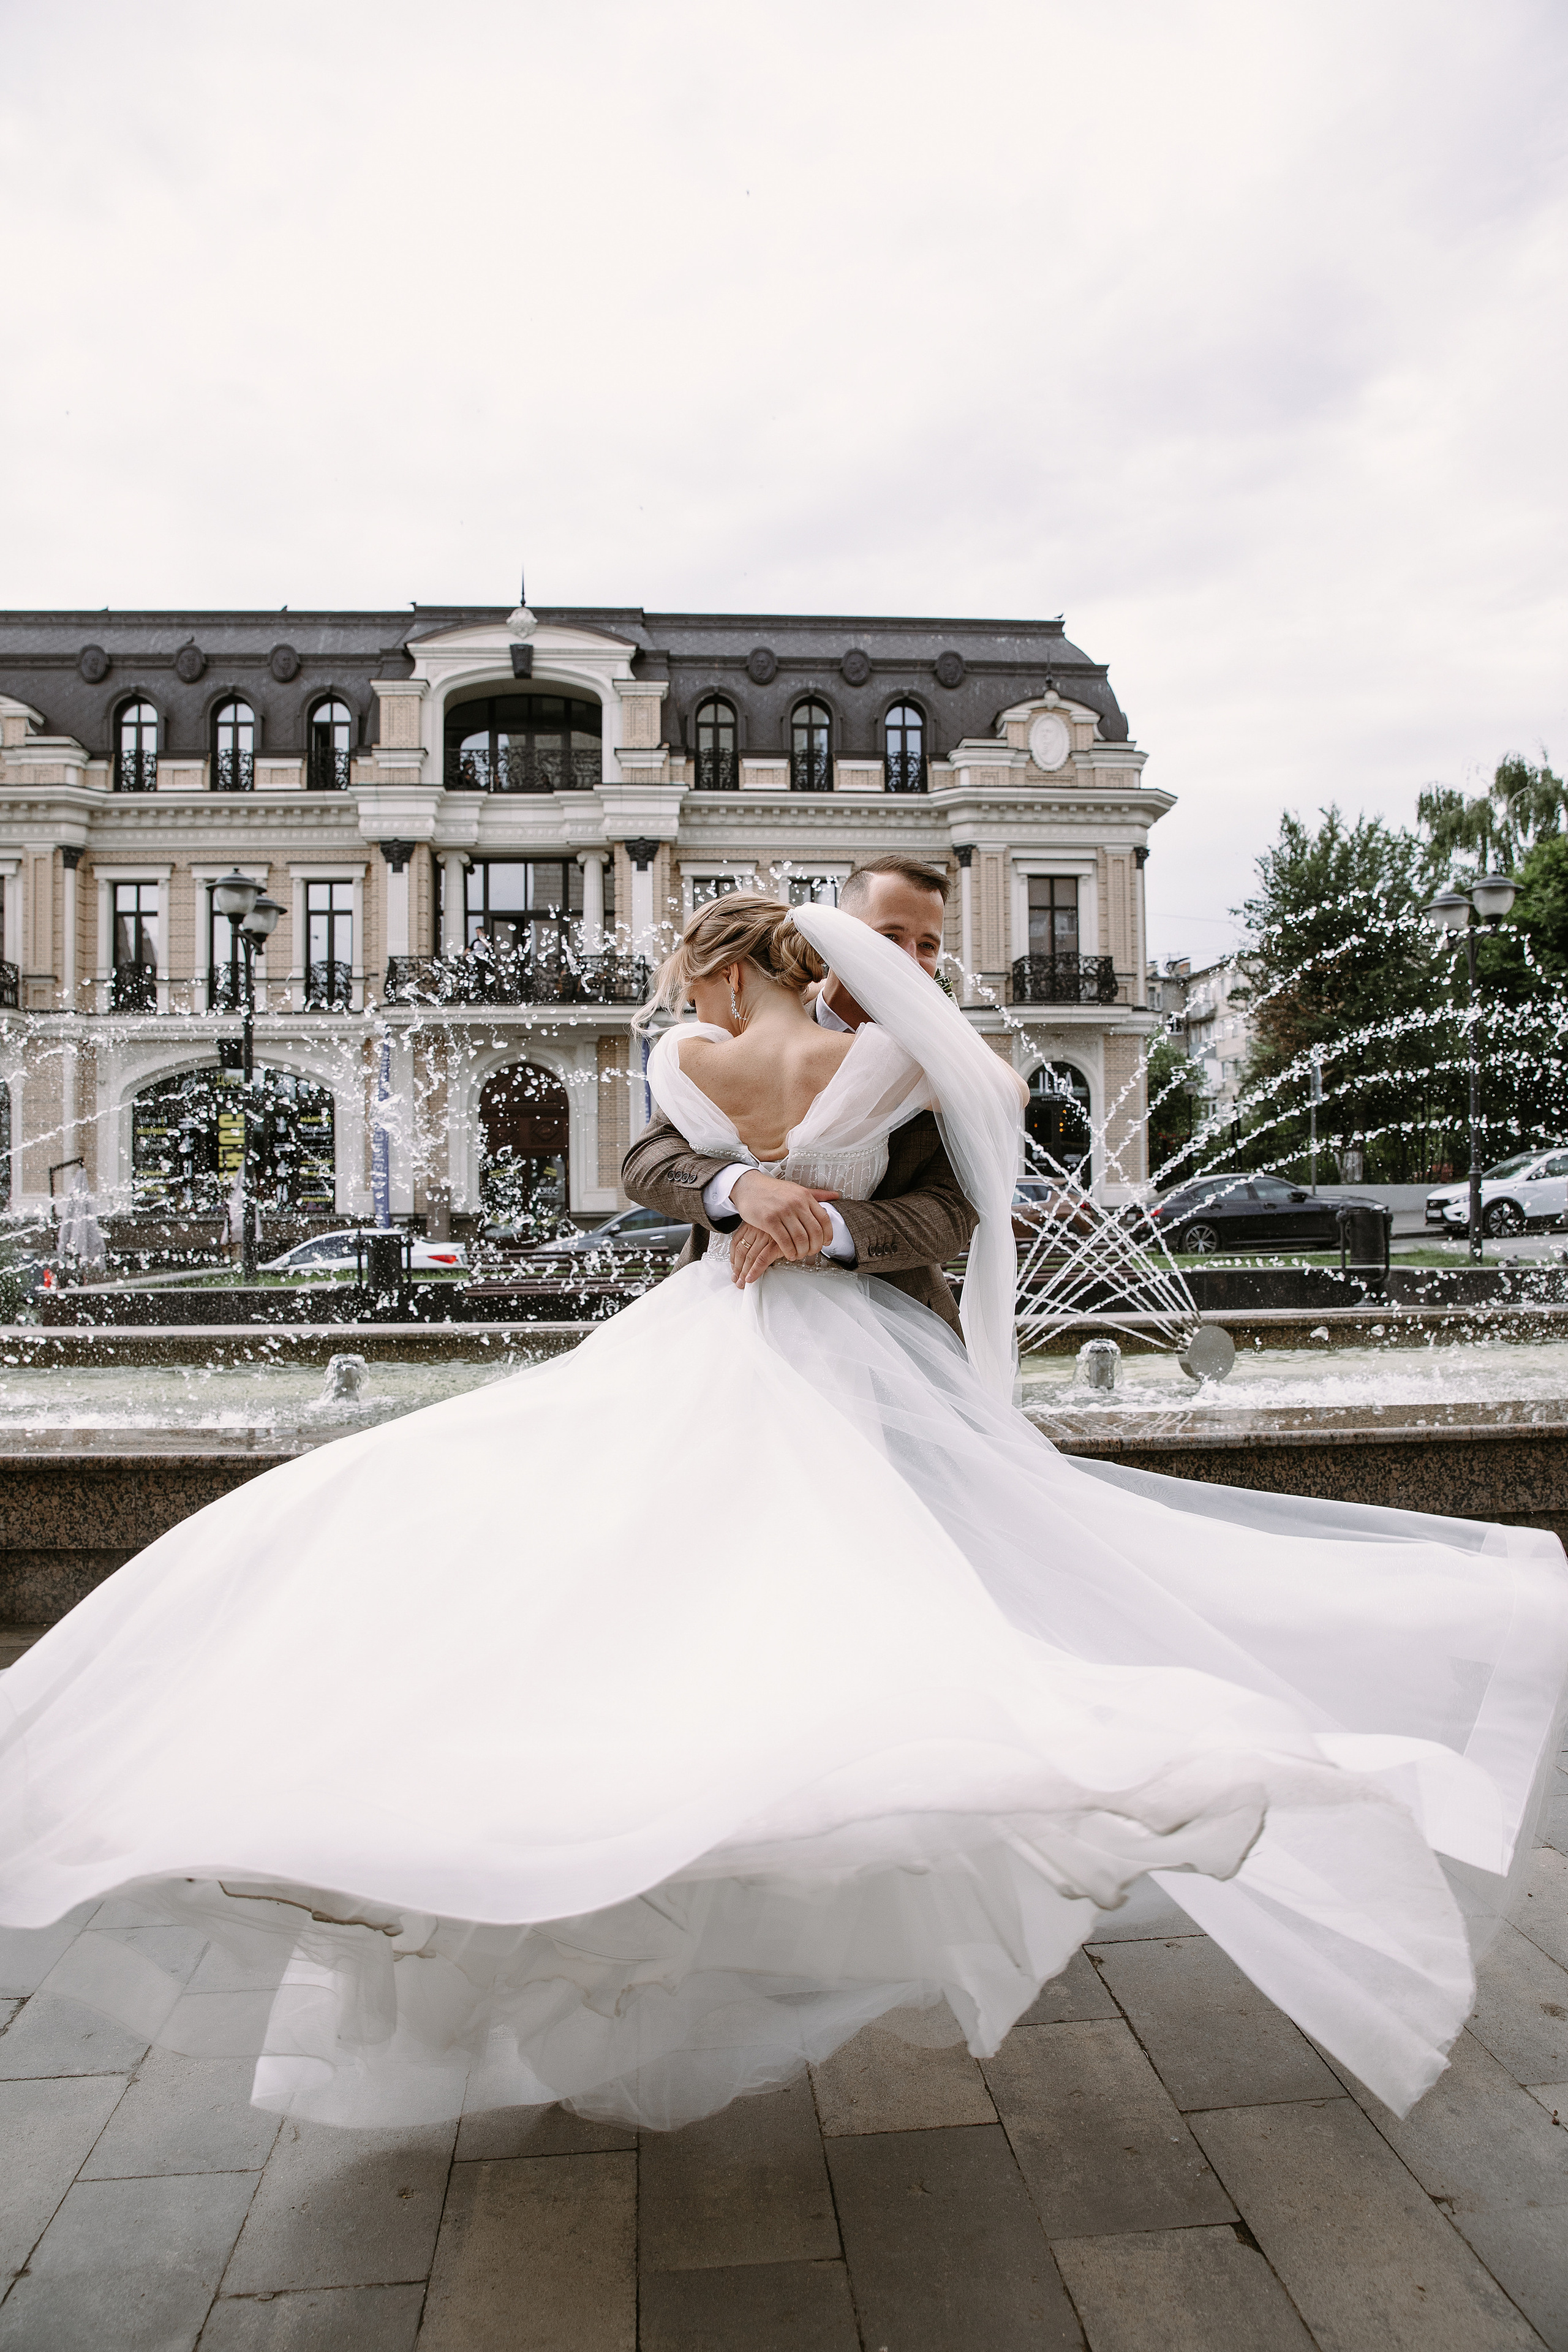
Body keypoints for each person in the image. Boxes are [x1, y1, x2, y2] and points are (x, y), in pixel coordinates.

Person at [1, 895, 1566, 2139]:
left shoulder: (755, 1059)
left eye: (698, 967)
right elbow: (804, 1188)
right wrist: (771, 1208)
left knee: (781, 1574)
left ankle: (769, 1784)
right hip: (800, 1343)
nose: (686, 996)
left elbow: (806, 1189)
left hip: (778, 1338)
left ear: (738, 969)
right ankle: (776, 1787)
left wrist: (785, 1219)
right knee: (785, 1577)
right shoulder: (825, 1062)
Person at [623, 856, 976, 1333]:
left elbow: (952, 1213)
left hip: (891, 1328)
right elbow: (648, 1161)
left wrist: (819, 1226)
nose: (909, 960)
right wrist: (740, 1188)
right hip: (722, 1318)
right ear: (837, 936)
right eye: (890, 937)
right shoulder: (732, 1037)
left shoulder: (940, 1056)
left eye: (928, 944)